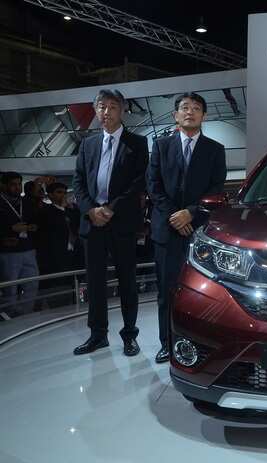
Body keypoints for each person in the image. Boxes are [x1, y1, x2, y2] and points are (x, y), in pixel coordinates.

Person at [147, 92, 226, 363]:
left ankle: (201, 344)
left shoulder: (215, 149)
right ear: (175, 115)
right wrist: (175, 216)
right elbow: (153, 186)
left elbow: (216, 188)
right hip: (166, 230)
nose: (189, 112)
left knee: (203, 292)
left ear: (204, 115)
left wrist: (190, 214)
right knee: (166, 291)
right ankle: (167, 344)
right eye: (184, 108)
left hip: (200, 231)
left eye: (195, 108)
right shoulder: (160, 146)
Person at [72, 89, 148, 356]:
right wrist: (91, 209)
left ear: (122, 110)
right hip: (92, 223)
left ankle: (129, 335)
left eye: (112, 107)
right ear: (96, 110)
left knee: (127, 281)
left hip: (122, 223)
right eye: (101, 107)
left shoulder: (137, 143)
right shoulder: (88, 144)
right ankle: (97, 335)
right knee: (94, 282)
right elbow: (78, 182)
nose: (106, 112)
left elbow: (139, 182)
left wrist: (110, 208)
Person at [0, 172, 40, 316]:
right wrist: (10, 229)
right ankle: (9, 318)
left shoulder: (26, 202)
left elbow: (35, 219)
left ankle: (25, 314)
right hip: (8, 252)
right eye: (13, 184)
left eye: (19, 184)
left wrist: (33, 226)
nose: (17, 188)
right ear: (3, 185)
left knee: (32, 284)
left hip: (28, 249)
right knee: (10, 288)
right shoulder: (1, 203)